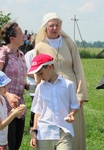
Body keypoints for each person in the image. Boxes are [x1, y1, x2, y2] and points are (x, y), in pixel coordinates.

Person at [34, 12, 88, 150]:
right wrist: (41, 87)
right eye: (51, 25)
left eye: (57, 25)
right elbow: (38, 70)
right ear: (45, 28)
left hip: (71, 89)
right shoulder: (40, 46)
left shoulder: (70, 43)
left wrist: (81, 94)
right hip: (49, 87)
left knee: (72, 123)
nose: (54, 28)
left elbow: (79, 69)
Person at [28, 54, 79, 150]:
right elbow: (37, 111)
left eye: (41, 73)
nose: (39, 76)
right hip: (44, 132)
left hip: (63, 130)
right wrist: (34, 132)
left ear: (50, 67)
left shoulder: (68, 85)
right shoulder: (40, 87)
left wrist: (71, 114)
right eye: (37, 74)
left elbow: (74, 105)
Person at [0, 21, 28, 150]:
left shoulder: (22, 55)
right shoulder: (3, 54)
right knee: (7, 144)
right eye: (21, 34)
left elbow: (19, 77)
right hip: (5, 107)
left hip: (19, 106)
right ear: (12, 38)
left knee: (16, 145)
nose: (24, 36)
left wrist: (26, 85)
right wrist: (7, 94)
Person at [0, 70, 26, 150]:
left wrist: (12, 112)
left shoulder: (3, 99)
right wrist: (13, 115)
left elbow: (4, 119)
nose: (6, 88)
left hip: (4, 141)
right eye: (4, 86)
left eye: (7, 85)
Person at [25, 34, 37, 129]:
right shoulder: (29, 55)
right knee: (35, 104)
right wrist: (40, 77)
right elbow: (28, 72)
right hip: (33, 84)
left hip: (43, 83)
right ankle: (32, 125)